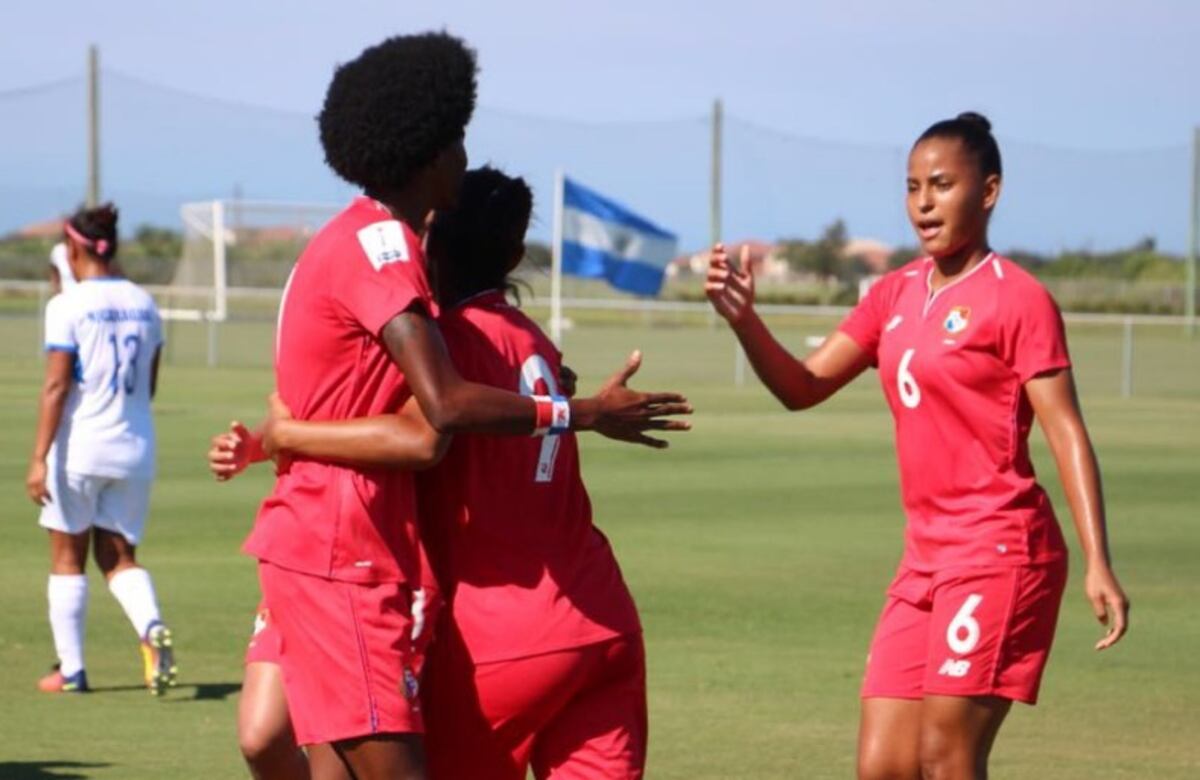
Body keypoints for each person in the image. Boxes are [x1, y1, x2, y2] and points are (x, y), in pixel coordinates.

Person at [238, 32, 688, 780]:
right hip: (341, 550)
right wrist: (577, 411)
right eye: (456, 140)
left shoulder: (379, 245)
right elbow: (439, 413)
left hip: (357, 550)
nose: (464, 157)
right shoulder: (381, 244)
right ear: (426, 152)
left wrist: (279, 435)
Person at [705, 112, 1129, 780]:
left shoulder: (1018, 300)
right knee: (884, 766)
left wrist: (1099, 560)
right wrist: (745, 321)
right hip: (924, 561)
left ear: (987, 191)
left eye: (940, 185)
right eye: (911, 187)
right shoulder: (893, 294)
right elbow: (803, 386)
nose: (923, 203)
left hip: (999, 551)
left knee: (946, 756)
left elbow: (1067, 430)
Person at [27, 203, 177, 696]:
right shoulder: (145, 302)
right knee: (119, 558)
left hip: (80, 448)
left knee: (67, 558)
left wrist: (38, 457)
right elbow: (149, 385)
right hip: (135, 445)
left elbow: (56, 388)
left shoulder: (66, 305)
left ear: (73, 248)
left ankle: (72, 671)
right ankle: (151, 627)